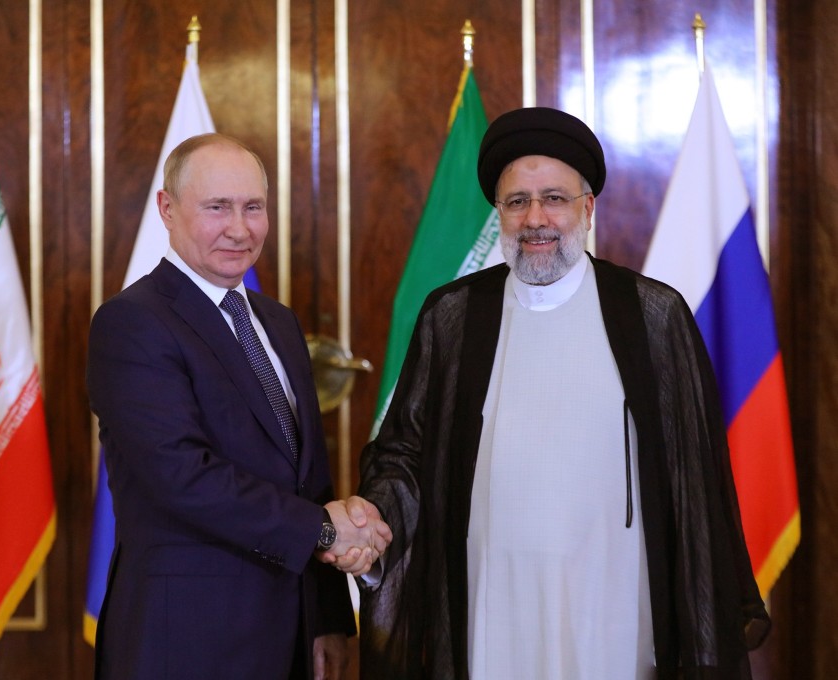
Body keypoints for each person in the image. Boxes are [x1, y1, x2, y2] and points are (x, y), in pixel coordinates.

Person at [353, 107, 770, 679]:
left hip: (614, 605)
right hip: (490, 600)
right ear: (499, 213)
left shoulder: (652, 315)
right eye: (517, 202)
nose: (536, 219)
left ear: (587, 208)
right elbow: (405, 450)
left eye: (554, 198)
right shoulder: (453, 316)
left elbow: (693, 479)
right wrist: (373, 516)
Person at [87, 133, 391, 680]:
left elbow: (309, 480)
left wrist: (326, 617)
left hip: (289, 634)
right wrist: (324, 530)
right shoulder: (132, 322)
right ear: (167, 209)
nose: (239, 228)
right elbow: (182, 476)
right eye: (217, 207)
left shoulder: (278, 321)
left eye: (253, 207)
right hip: (186, 639)